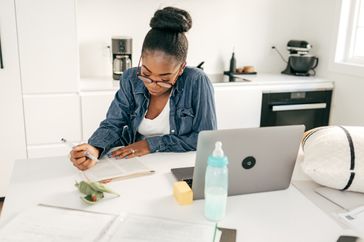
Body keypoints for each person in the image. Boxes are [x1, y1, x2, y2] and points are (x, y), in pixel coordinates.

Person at [70, 7, 217, 171]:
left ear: (181, 68)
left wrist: (150, 144)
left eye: (164, 79)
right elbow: (113, 124)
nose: (152, 84)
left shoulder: (196, 81)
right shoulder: (130, 78)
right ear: (140, 59)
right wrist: (95, 148)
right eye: (146, 73)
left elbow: (206, 138)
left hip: (179, 165)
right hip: (136, 164)